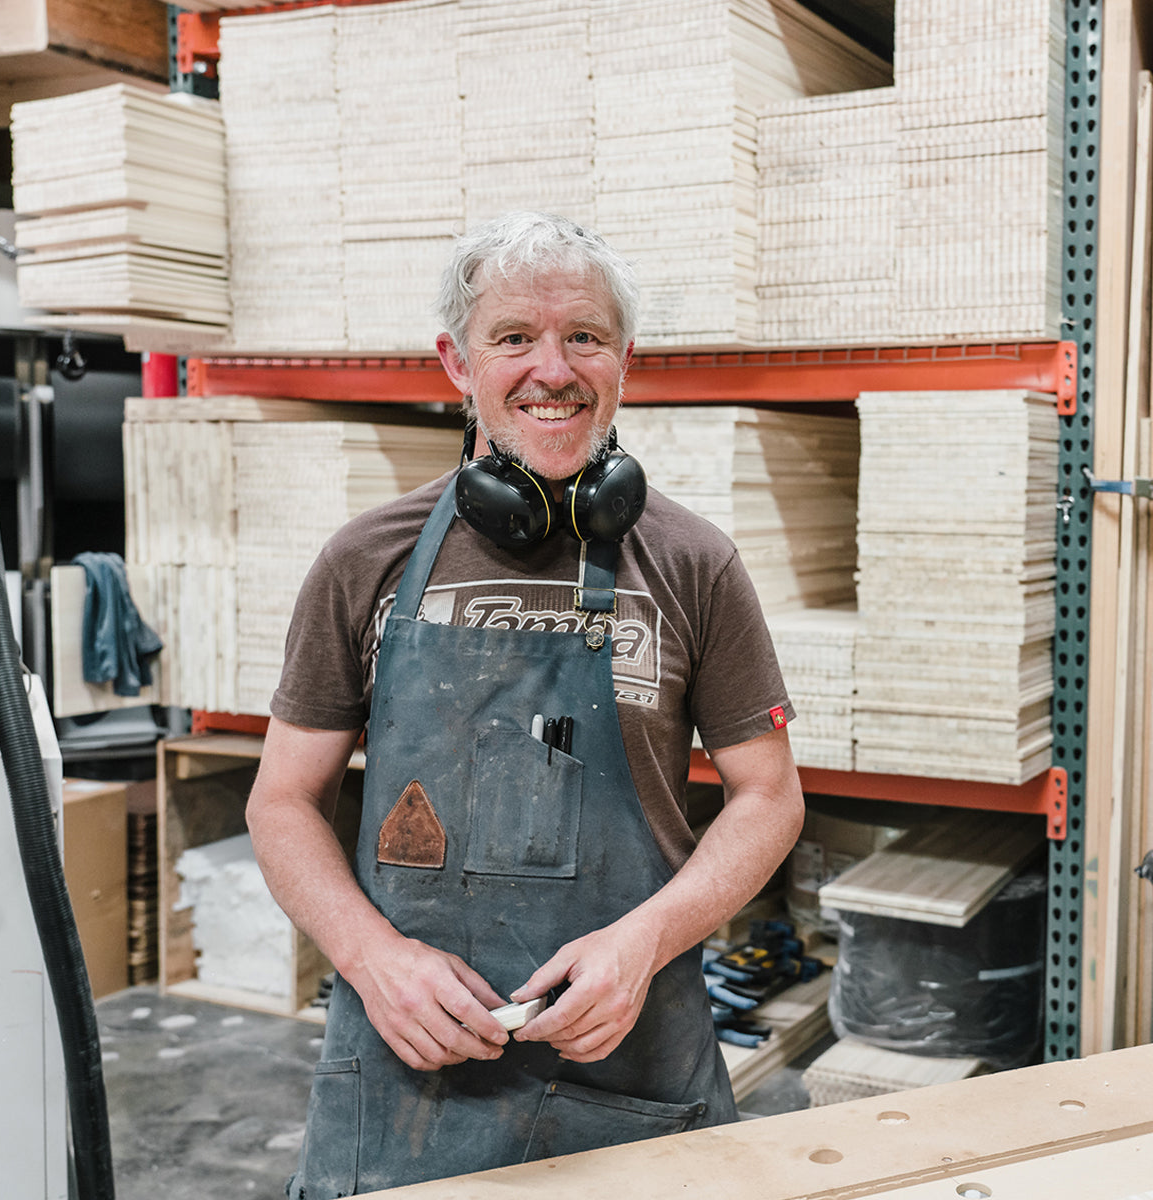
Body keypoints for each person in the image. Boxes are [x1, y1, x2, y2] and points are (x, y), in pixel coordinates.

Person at [245, 211, 805, 1197]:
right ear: (457, 362)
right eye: (514, 338)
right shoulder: (365, 561)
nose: (553, 368)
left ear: (624, 359)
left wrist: (645, 943)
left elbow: (768, 798)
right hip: (405, 1080)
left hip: (630, 1074)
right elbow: (281, 800)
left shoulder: (693, 563)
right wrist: (372, 958)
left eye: (582, 335)